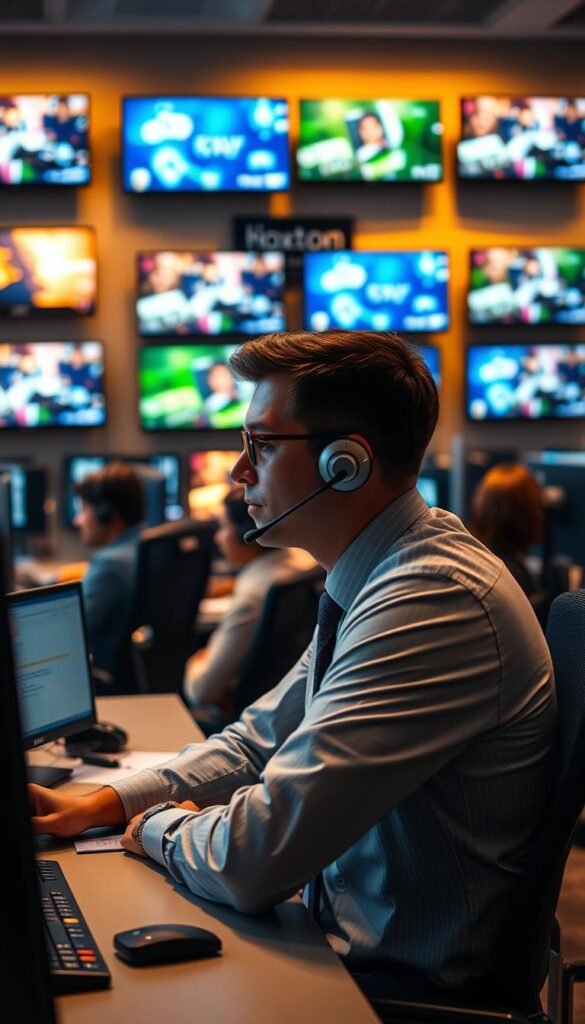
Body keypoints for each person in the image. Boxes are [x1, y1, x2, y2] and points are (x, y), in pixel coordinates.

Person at [30, 330, 555, 1008]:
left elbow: (256, 857)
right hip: (340, 947)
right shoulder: (377, 577)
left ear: (345, 465)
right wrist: (103, 803)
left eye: (262, 446)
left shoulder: (431, 599)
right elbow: (255, 742)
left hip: (396, 994)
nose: (237, 472)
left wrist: (153, 825)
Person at [183, 484, 317, 719]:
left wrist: (196, 660)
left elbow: (203, 691)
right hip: (288, 707)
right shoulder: (302, 561)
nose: (217, 538)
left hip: (245, 718)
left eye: (223, 527)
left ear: (247, 531)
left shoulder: (250, 599)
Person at [72, 461, 145, 686]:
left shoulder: (109, 566)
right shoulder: (146, 547)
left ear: (106, 514)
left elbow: (69, 634)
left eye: (83, 510)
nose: (78, 520)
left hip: (102, 684)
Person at [469, 462, 544, 598]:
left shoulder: (478, 558)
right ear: (525, 515)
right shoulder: (513, 577)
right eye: (537, 507)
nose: (541, 516)